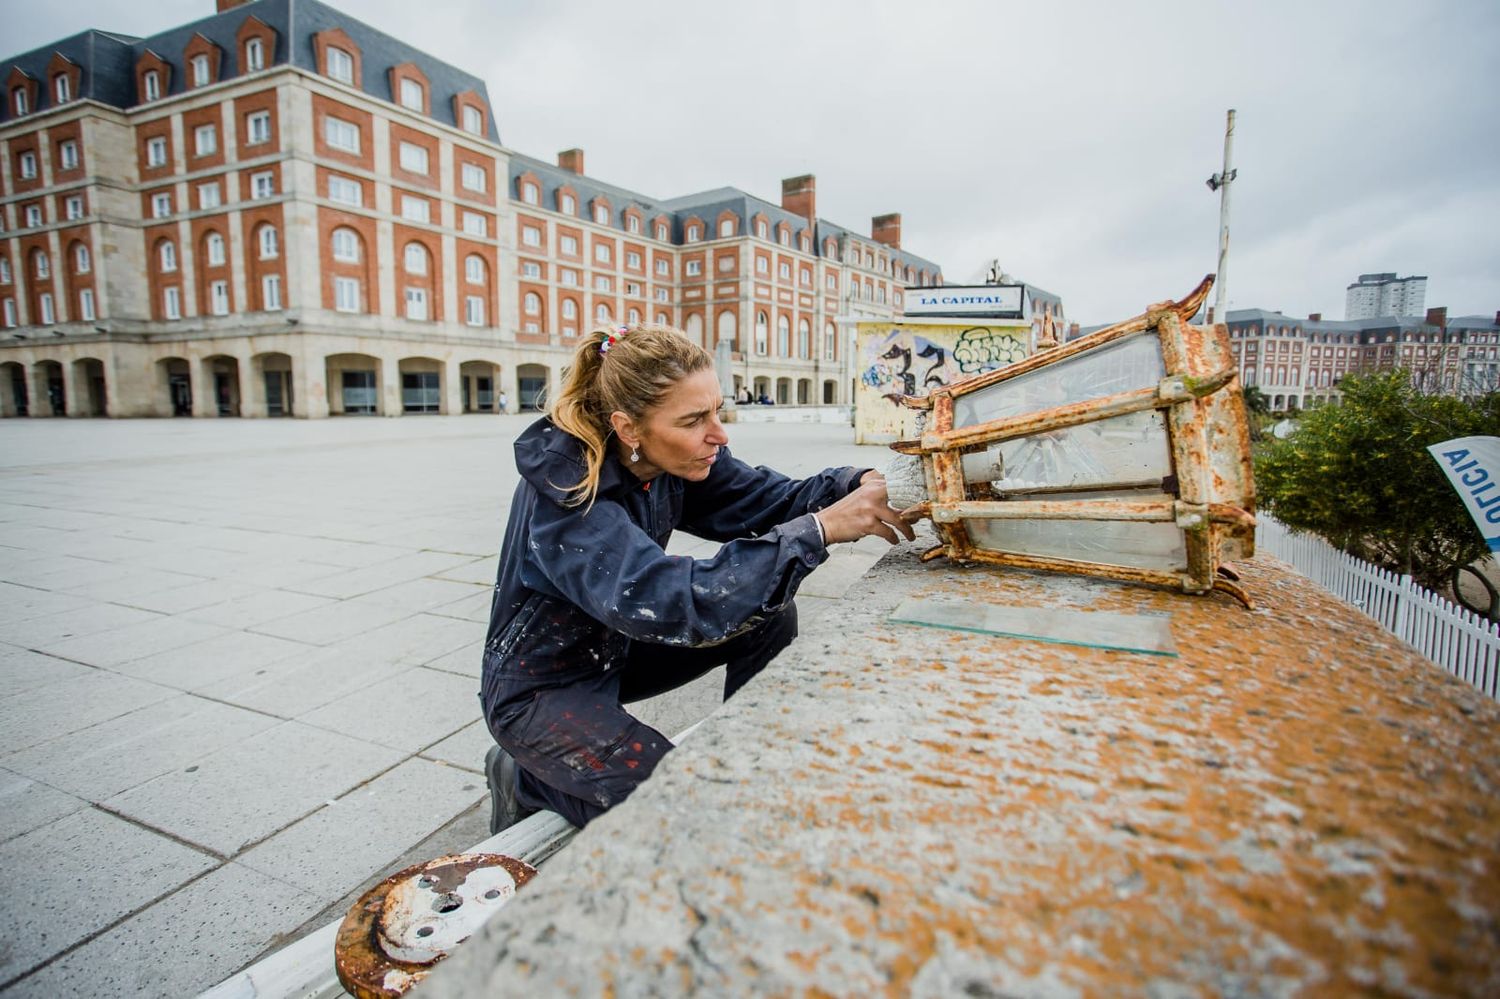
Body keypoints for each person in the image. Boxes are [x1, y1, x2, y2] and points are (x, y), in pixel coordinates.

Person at [482, 323, 915, 831]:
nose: (719, 433)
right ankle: (524, 777)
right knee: (678, 813)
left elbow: (765, 499)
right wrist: (818, 531)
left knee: (768, 612)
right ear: (628, 429)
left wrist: (855, 484)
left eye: (716, 409)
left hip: (617, 648)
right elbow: (671, 601)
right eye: (694, 420)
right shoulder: (567, 493)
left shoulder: (673, 460)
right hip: (542, 689)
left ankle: (750, 761)